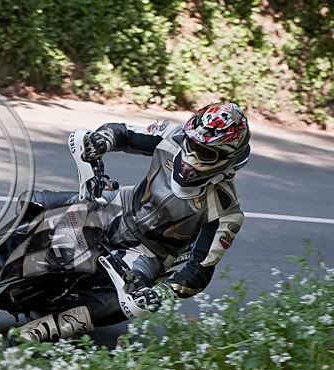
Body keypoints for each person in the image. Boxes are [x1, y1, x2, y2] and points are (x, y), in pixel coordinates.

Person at [17, 102, 251, 343]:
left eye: (205, 152)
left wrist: (163, 293)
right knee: (32, 203)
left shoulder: (226, 211)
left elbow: (200, 270)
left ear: (226, 159)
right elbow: (125, 132)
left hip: (147, 253)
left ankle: (53, 326)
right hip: (118, 204)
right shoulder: (172, 136)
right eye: (191, 143)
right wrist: (103, 140)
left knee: (133, 305)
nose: (191, 154)